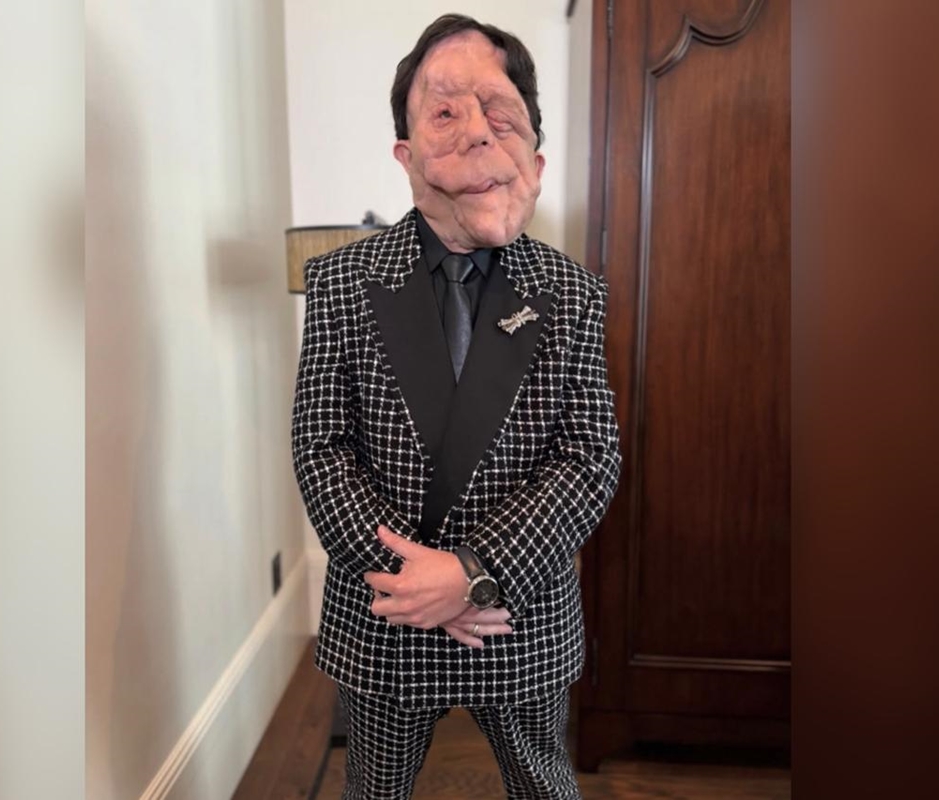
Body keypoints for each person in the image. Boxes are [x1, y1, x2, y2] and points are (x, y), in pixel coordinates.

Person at [291, 13, 620, 800]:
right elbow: (321, 450)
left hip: (517, 612)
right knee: (375, 788)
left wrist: (474, 574)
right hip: (389, 611)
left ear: (534, 154)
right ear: (405, 154)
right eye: (445, 113)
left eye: (499, 114)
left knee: (543, 785)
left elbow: (589, 459)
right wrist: (417, 584)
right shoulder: (341, 283)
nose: (476, 133)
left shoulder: (571, 293)